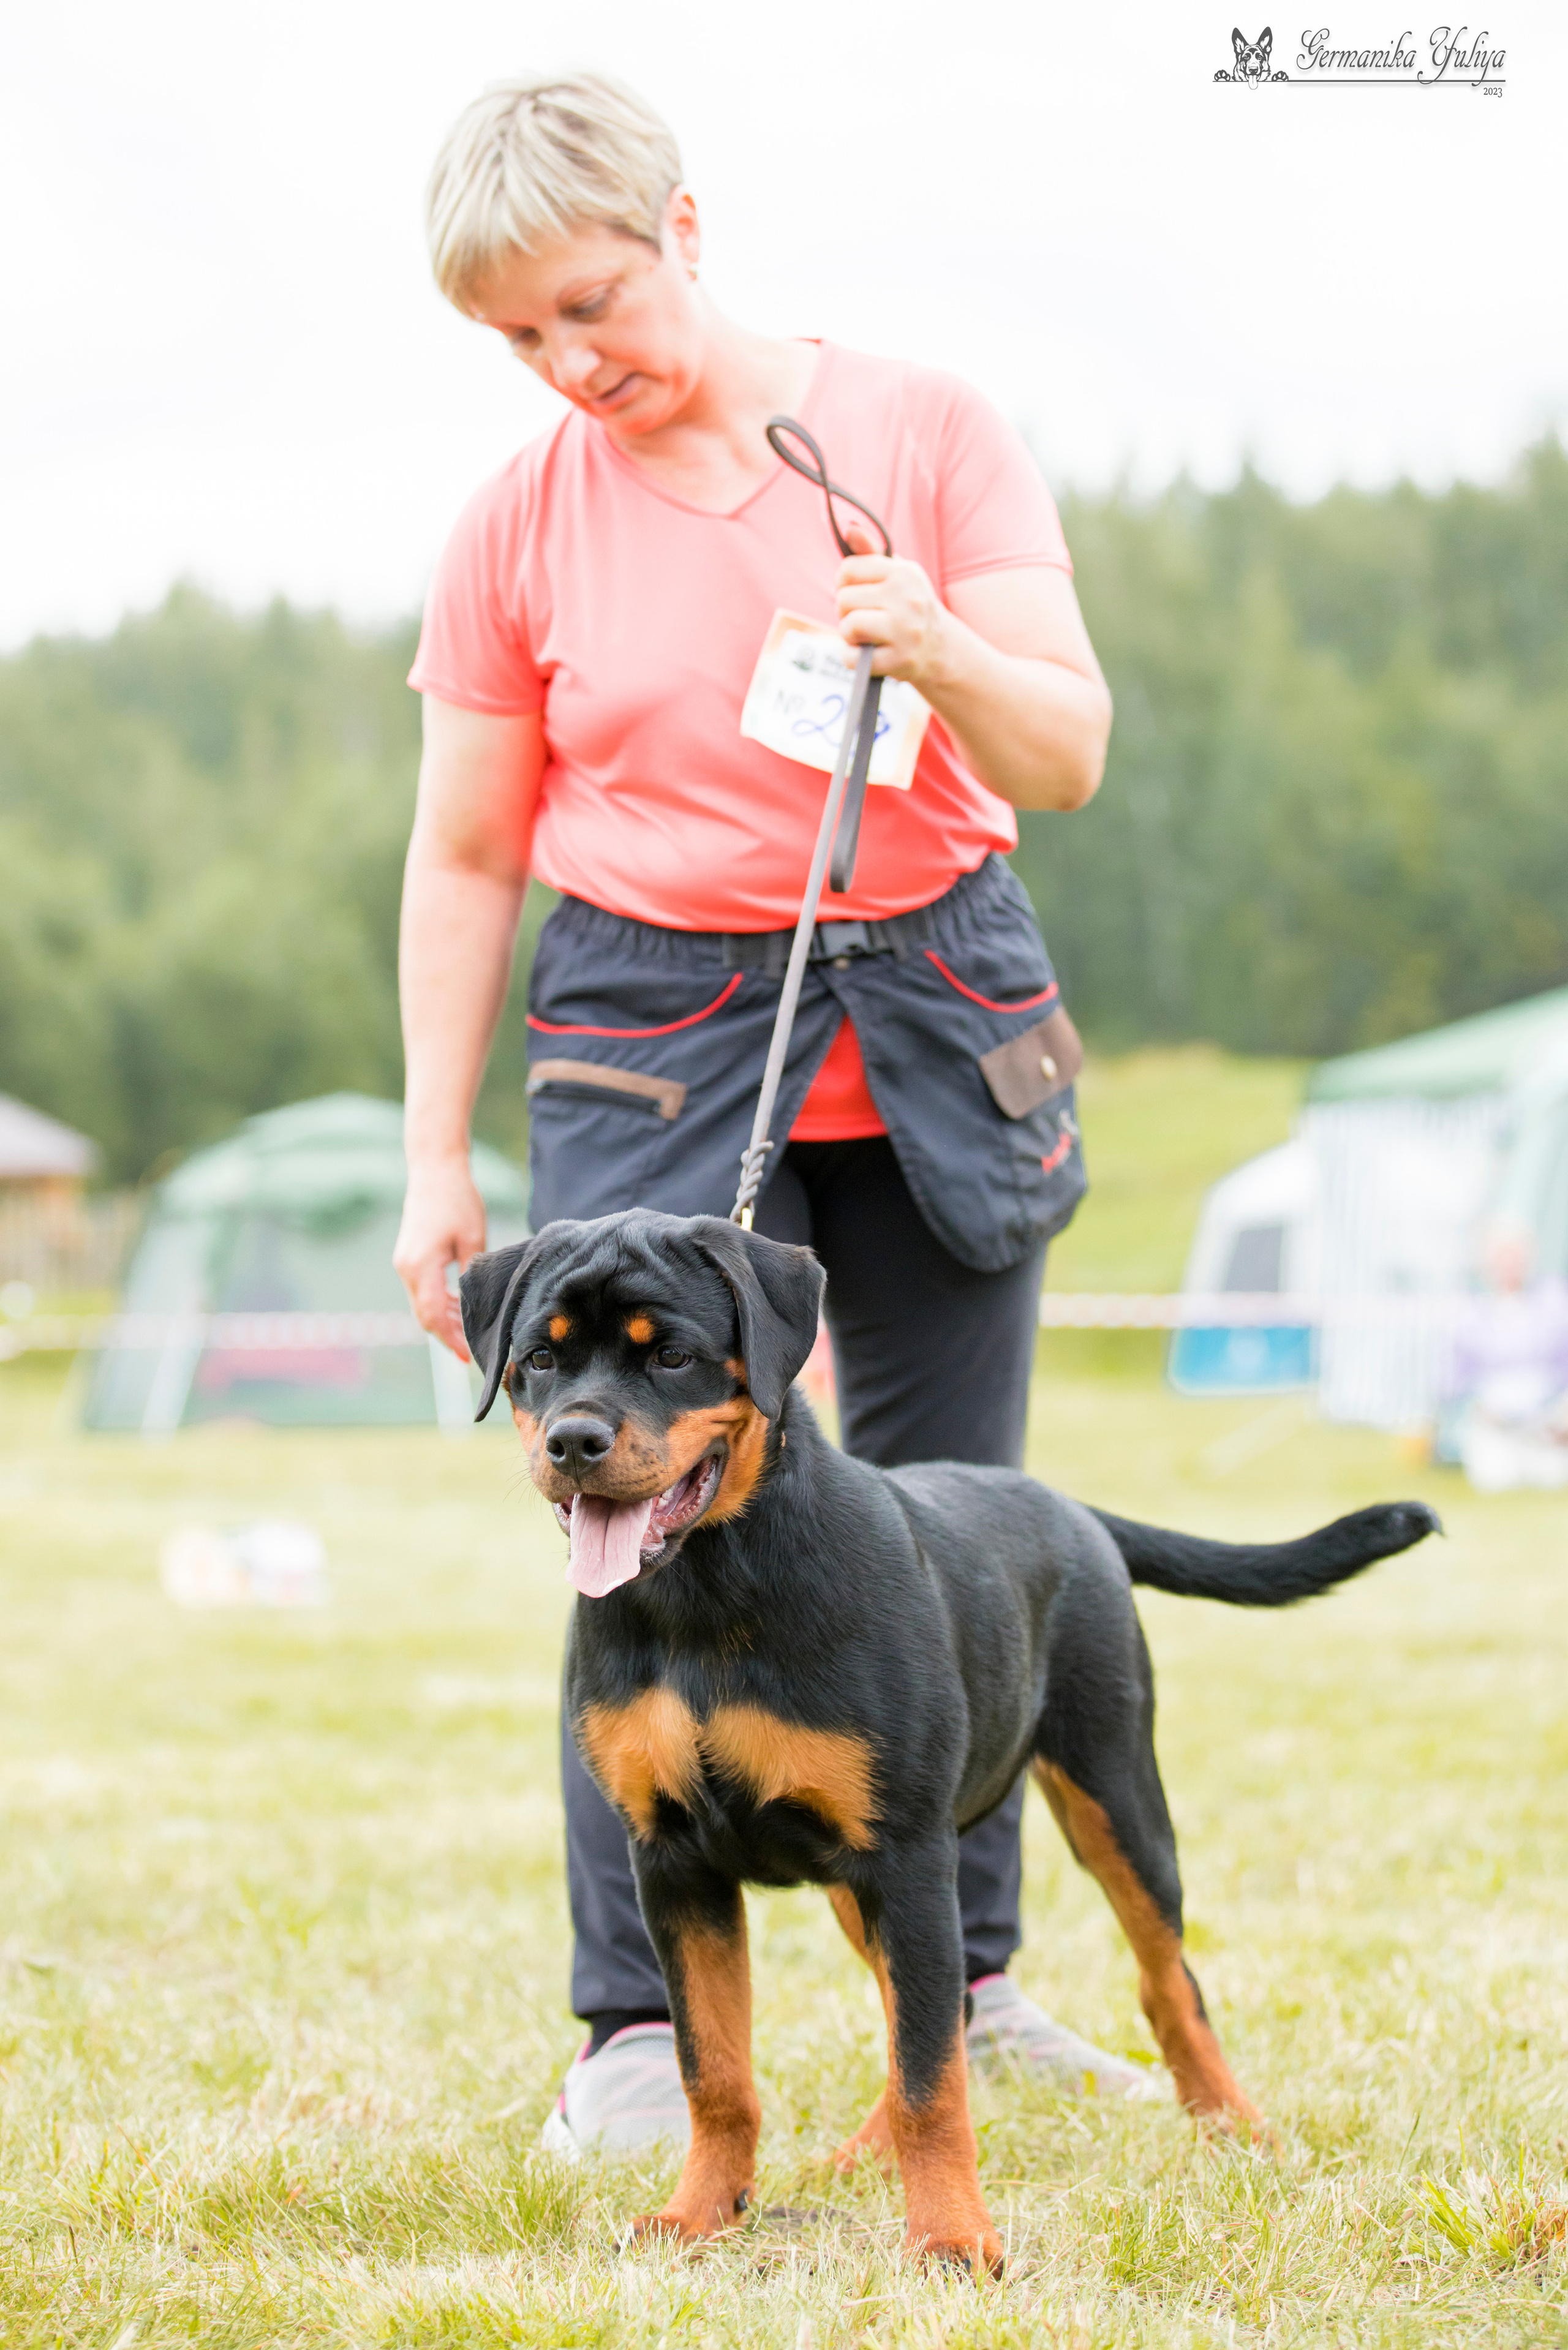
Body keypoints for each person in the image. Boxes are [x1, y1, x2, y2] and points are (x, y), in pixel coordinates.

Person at [395, 72, 1151, 2153]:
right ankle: (639, 2034)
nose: (574, 364)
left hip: (937, 993)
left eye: (594, 302)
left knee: (949, 1520)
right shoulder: (520, 521)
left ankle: (966, 1992)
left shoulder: (921, 431)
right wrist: (429, 1153)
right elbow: (466, 857)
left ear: (687, 227)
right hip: (647, 1013)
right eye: (522, 339)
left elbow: (1067, 749)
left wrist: (941, 643)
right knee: (619, 1531)